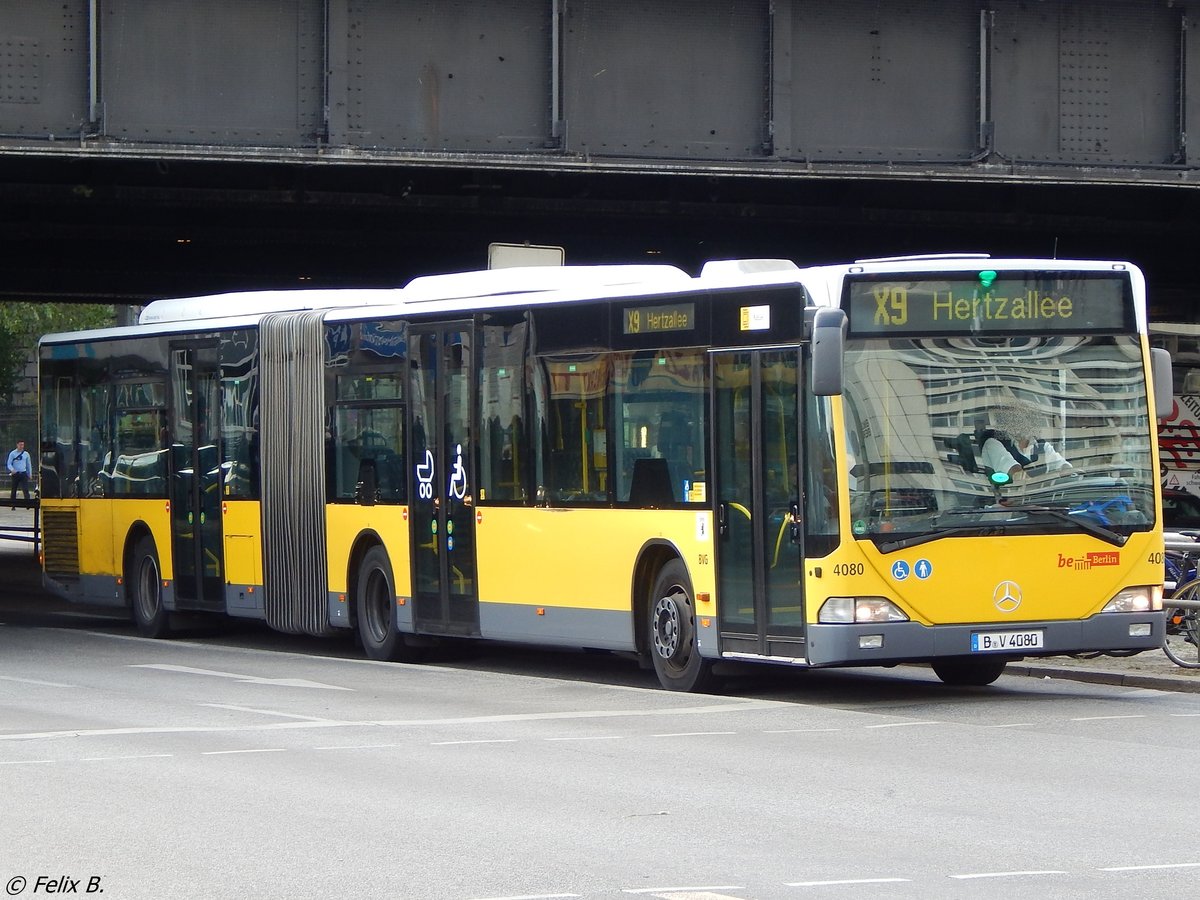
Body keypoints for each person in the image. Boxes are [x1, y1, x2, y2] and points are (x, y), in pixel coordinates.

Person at [979, 405, 1071, 481]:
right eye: (1015, 419)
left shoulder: (1041, 445)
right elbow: (1015, 473)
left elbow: (1062, 464)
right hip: (1002, 500)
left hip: (1042, 499)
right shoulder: (993, 442)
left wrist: (1071, 472)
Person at [7, 439, 32, 508]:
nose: (21, 446)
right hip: (15, 473)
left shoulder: (26, 454)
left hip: (23, 473)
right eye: (20, 445)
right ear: (17, 445)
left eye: (23, 445)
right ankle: (13, 504)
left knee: (25, 489)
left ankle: (28, 504)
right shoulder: (12, 453)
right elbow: (9, 464)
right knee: (14, 489)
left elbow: (28, 464)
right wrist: (12, 469)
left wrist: (29, 473)